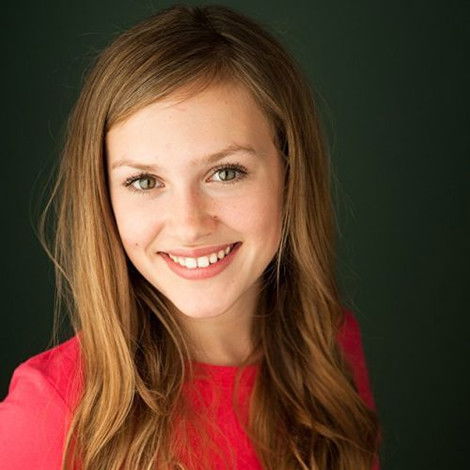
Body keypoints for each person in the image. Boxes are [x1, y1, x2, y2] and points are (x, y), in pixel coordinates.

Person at [0, 4, 381, 469]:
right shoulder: (50, 411)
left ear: (290, 172)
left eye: (226, 172)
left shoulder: (330, 347)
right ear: (103, 196)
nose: (189, 224)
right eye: (144, 181)